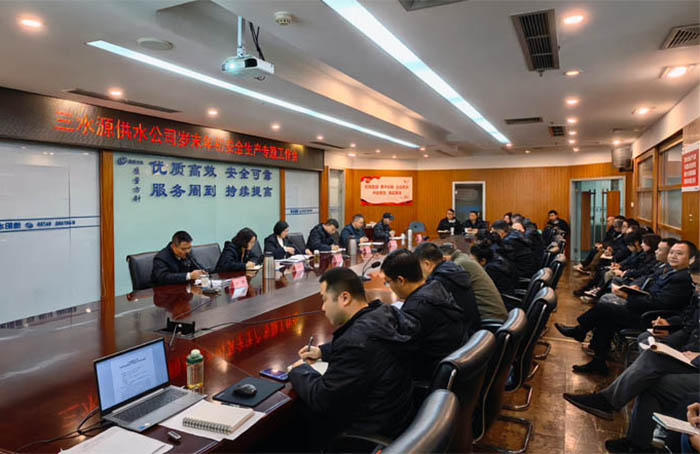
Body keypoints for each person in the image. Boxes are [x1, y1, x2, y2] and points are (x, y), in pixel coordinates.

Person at [288, 268, 419, 447]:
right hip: (398, 420)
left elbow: (322, 398)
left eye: (324, 299)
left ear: (344, 298)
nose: (322, 307)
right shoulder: (384, 314)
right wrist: (323, 352)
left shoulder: (355, 343)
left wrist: (299, 370)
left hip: (368, 434)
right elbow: (369, 345)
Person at [561, 292, 699, 453]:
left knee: (654, 361)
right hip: (690, 355)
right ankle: (637, 444)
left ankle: (608, 402)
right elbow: (690, 327)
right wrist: (668, 342)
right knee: (653, 376)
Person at [556, 241, 696, 375]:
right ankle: (598, 360)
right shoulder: (669, 271)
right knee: (606, 318)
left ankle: (580, 331)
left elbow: (659, 303)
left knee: (605, 309)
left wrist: (628, 296)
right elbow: (651, 287)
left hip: (653, 318)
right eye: (671, 252)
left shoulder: (683, 278)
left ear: (691, 259)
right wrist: (636, 289)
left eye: (679, 253)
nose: (673, 256)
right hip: (644, 309)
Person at [381, 249, 465, 380]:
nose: (389, 286)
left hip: (429, 376)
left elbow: (401, 352)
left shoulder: (417, 308)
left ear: (401, 280)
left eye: (388, 281)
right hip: (452, 366)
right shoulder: (435, 286)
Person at [414, 242, 481, 336]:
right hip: (472, 331)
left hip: (461, 337)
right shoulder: (453, 269)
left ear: (426, 264)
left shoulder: (438, 281)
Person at [440, 243, 508, 321]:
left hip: (489, 317)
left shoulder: (458, 264)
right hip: (495, 314)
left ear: (444, 259)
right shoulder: (464, 258)